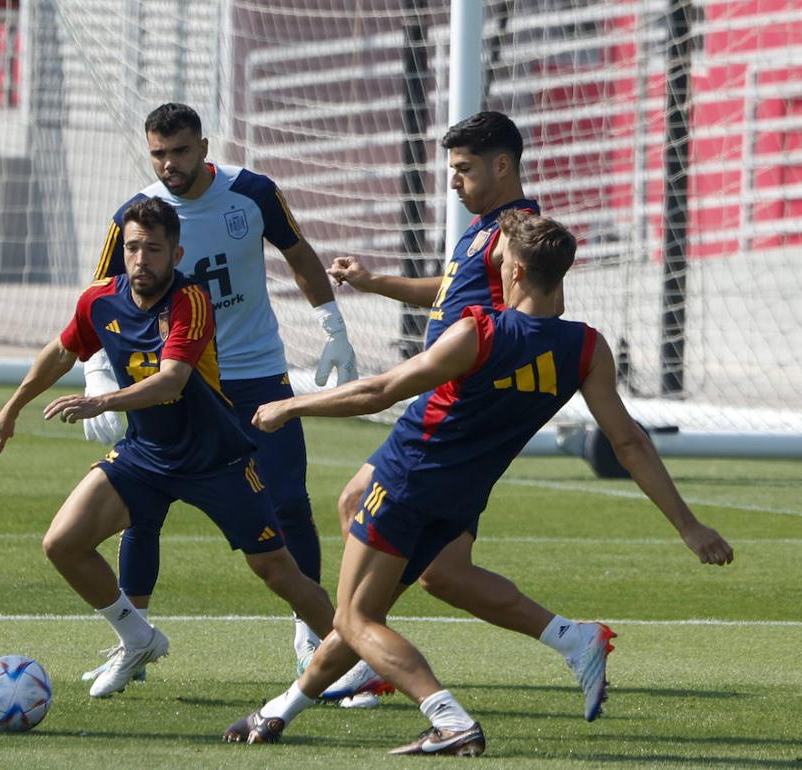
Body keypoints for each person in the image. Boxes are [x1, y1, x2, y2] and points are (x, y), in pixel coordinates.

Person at [222, 210, 733, 756]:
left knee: (354, 616)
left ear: (512, 269)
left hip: (405, 481)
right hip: (459, 501)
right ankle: (278, 712)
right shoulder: (586, 349)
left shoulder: (481, 330)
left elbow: (382, 390)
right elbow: (630, 444)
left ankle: (448, 718)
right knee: (365, 616)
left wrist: (289, 406)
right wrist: (689, 525)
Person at [0, 197, 337, 699]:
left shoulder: (190, 301)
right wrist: (12, 407)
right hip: (146, 455)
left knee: (275, 569)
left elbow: (172, 382)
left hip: (217, 458)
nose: (140, 259)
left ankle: (352, 654)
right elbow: (62, 351)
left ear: (175, 252)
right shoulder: (100, 299)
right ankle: (137, 637)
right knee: (63, 542)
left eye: (152, 248)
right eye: (132, 248)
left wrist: (102, 399)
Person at [81, 102, 373, 698]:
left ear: (204, 146)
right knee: (143, 510)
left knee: (289, 500)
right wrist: (94, 375)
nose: (169, 164)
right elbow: (99, 299)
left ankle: (312, 636)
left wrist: (332, 326)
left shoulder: (252, 194)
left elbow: (298, 254)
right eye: (159, 153)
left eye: (181, 151)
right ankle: (132, 640)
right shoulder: (138, 217)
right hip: (176, 379)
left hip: (256, 375)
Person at [327, 110, 614, 717]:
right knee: (440, 571)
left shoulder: (520, 230)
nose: (453, 181)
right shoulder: (483, 232)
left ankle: (362, 656)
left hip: (452, 417)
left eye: (463, 169)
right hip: (446, 412)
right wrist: (377, 282)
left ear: (502, 165)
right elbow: (451, 289)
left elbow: (538, 307)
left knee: (368, 512)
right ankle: (573, 637)